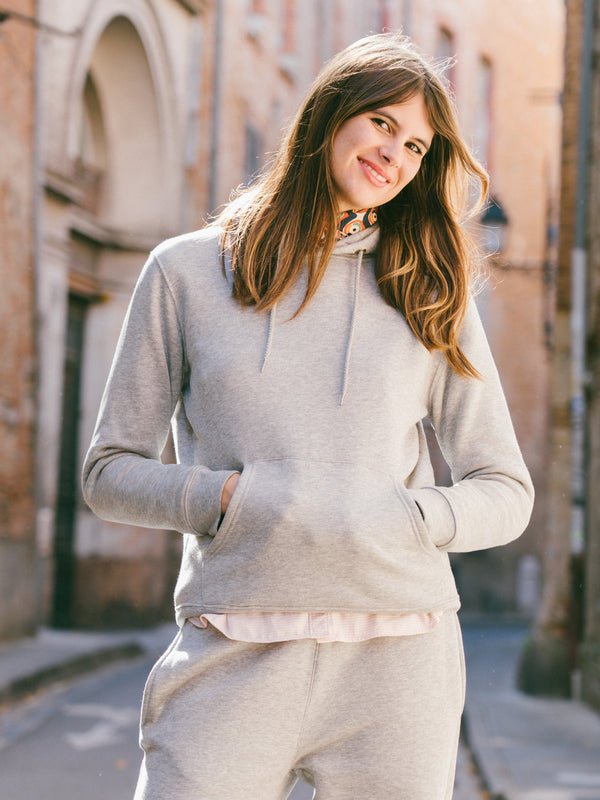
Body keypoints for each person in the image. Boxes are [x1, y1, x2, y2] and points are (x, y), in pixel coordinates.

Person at [82, 31, 534, 800]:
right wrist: (229, 499)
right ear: (330, 115)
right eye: (382, 122)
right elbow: (108, 473)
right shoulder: (186, 272)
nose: (394, 154)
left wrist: (403, 517)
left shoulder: (430, 293)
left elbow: (506, 489)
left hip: (398, 658)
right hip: (234, 644)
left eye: (417, 146)